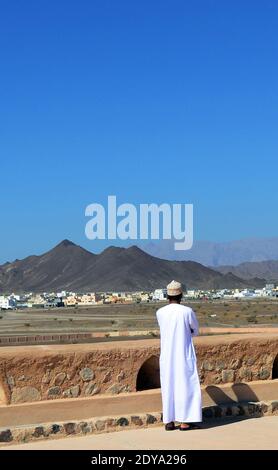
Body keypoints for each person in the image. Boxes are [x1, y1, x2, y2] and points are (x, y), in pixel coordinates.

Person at [156, 280, 202, 431]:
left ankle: (168, 421)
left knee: (168, 387)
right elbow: (195, 330)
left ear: (166, 296)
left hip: (167, 357)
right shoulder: (187, 311)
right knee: (186, 386)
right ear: (181, 295)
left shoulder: (160, 312)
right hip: (183, 355)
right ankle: (184, 422)